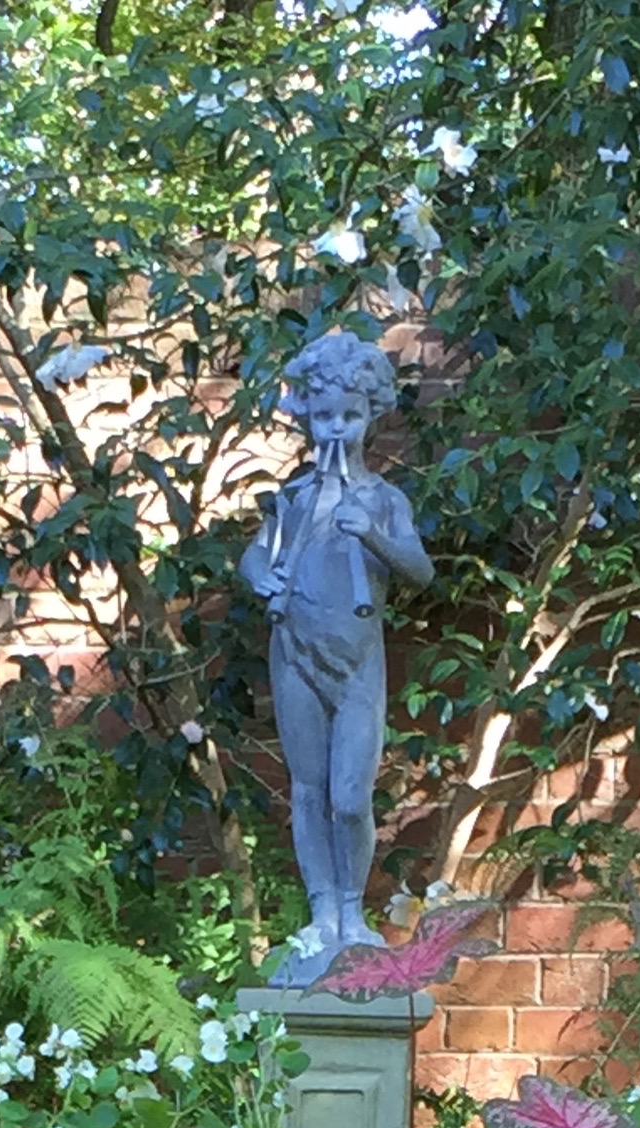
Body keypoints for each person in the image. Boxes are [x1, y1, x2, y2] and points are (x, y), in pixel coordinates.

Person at [241, 330, 432, 987]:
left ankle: (354, 909)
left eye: (349, 416)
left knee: (350, 797)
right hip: (294, 647)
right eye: (324, 416)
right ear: (307, 418)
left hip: (356, 660)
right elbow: (256, 556)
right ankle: (323, 912)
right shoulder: (294, 498)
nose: (335, 429)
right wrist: (261, 578)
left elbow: (420, 571)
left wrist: (372, 535)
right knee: (308, 788)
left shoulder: (382, 498)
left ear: (371, 414)